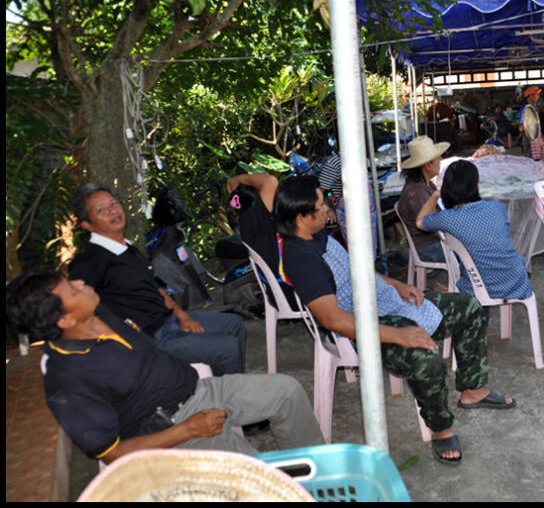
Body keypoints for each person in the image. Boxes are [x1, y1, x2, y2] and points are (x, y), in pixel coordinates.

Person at [273, 175, 516, 466]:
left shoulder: (317, 236)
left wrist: (397, 285)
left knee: (469, 307)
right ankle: (441, 429)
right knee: (426, 357)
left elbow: (357, 270)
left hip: (384, 303)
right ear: (301, 217)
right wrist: (399, 334)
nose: (327, 208)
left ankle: (472, 389)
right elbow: (333, 319)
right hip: (359, 326)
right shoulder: (302, 259)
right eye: (320, 205)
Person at [5, 267, 325, 464]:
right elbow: (110, 453)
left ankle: (315, 472)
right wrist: (188, 429)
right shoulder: (67, 379)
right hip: (174, 429)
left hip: (200, 389)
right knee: (261, 480)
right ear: (64, 320)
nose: (81, 283)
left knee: (286, 391)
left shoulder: (98, 312)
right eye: (73, 289)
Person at [68, 183, 246, 376]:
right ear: (87, 225)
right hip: (151, 339)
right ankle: (227, 392)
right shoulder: (88, 263)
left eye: (113, 203)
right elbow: (77, 314)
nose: (112, 210)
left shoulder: (128, 249)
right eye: (101, 210)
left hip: (169, 321)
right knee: (227, 348)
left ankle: (228, 384)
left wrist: (183, 316)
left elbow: (155, 289)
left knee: (234, 324)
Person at [416, 159, 532, 306]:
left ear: (447, 190)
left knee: (468, 278)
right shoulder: (497, 207)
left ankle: (478, 315)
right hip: (517, 282)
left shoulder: (448, 218)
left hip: (479, 289)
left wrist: (434, 196)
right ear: (476, 186)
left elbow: (419, 222)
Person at [227, 172, 300, 310]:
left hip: (279, 294)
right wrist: (237, 179)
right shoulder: (257, 217)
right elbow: (270, 180)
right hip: (293, 294)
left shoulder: (244, 224)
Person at [396, 135, 450, 264]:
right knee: (471, 251)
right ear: (428, 165)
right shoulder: (417, 191)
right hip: (427, 247)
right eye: (438, 159)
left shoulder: (425, 184)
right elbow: (434, 229)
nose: (440, 162)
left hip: (432, 242)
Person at [518, 85, 543, 160]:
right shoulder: (525, 109)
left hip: (536, 138)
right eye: (537, 94)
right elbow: (521, 128)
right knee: (530, 161)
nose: (538, 96)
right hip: (529, 139)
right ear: (530, 96)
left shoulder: (533, 108)